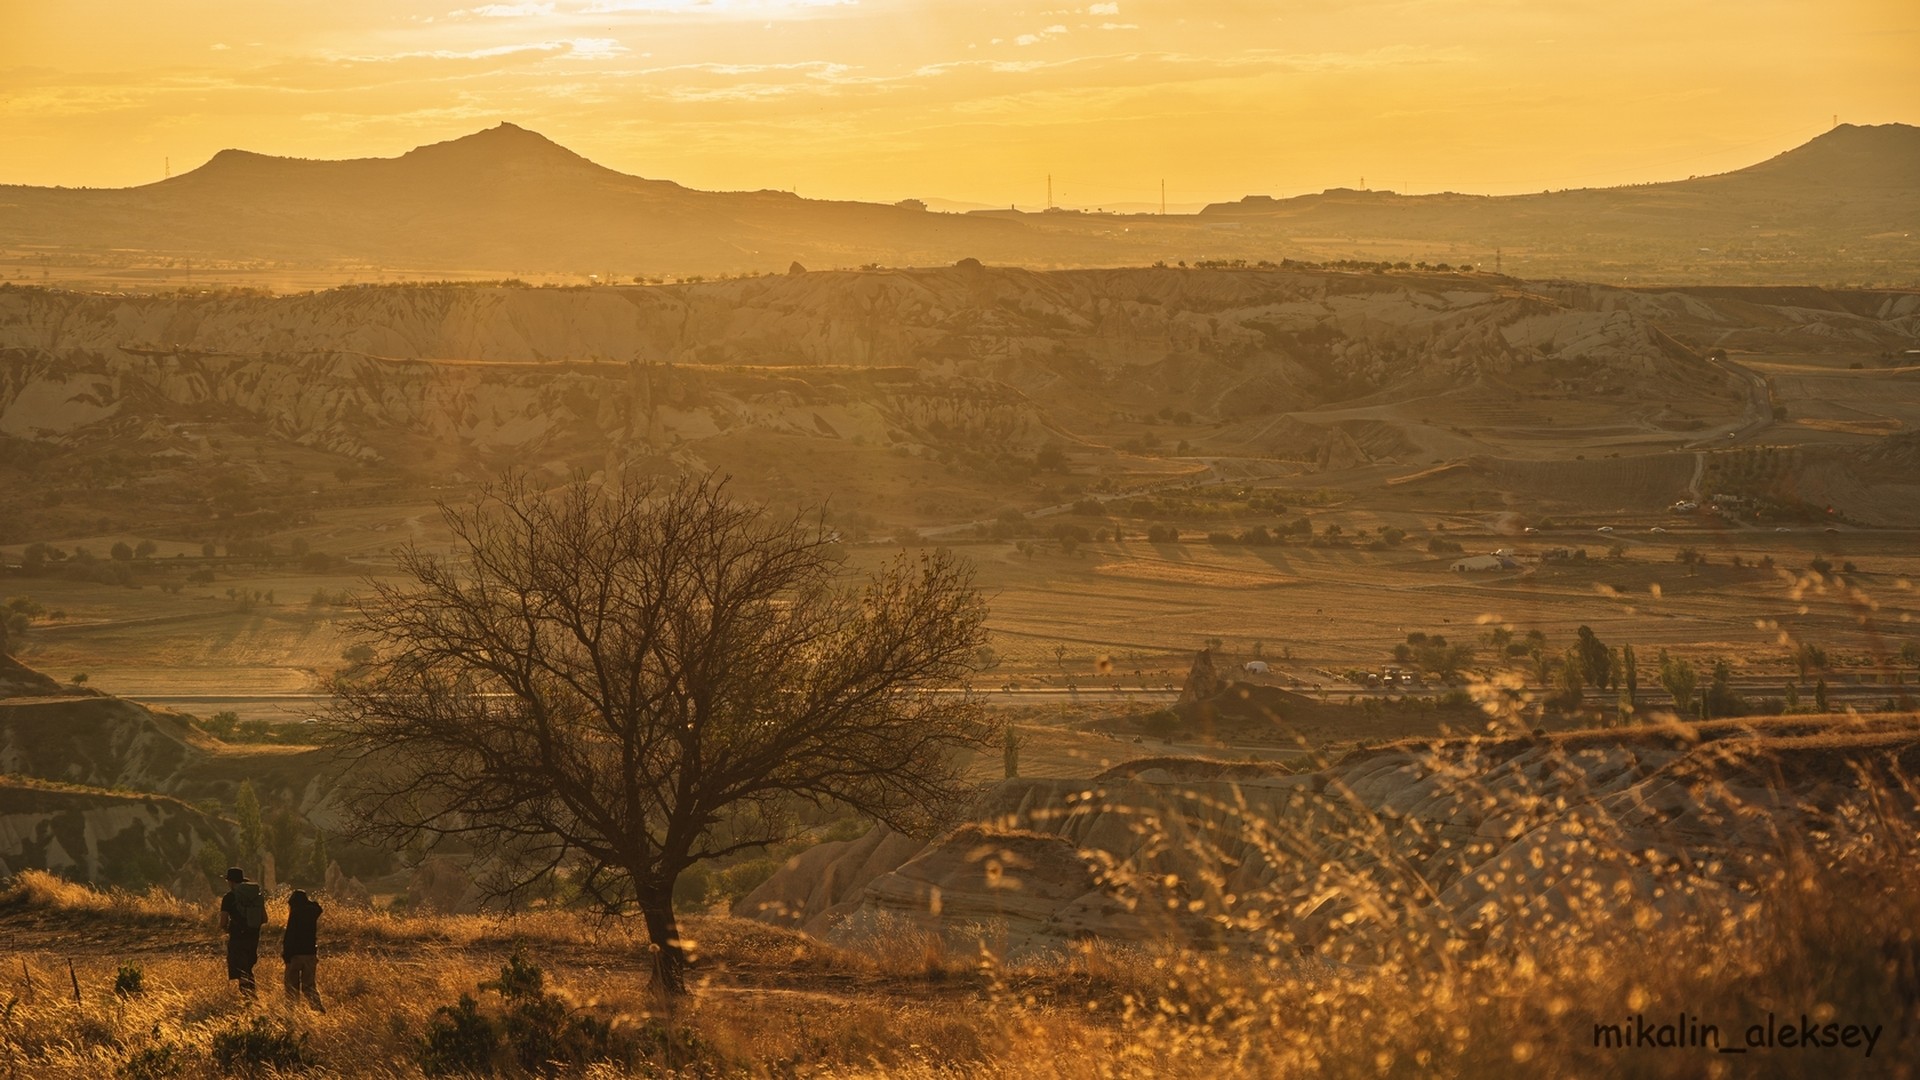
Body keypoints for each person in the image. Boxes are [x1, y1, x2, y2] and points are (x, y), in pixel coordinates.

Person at [218, 867, 267, 997]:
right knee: (248, 968)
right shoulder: (256, 896)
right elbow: (264, 918)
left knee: (241, 970)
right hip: (253, 938)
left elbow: (222, 922)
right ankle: (252, 998)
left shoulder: (229, 897)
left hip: (237, 938)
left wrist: (228, 929)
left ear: (231, 881)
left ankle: (249, 999)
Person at [281, 889, 325, 1011]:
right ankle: (318, 1010)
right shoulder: (313, 912)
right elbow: (317, 906)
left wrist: (286, 956)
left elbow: (289, 936)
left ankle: (292, 1012)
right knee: (310, 986)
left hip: (295, 956)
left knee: (291, 986)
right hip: (310, 954)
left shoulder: (295, 913)